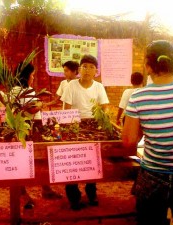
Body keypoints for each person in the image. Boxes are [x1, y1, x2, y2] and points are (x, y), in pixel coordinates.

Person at [122, 40, 173, 225]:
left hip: (153, 175)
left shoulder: (138, 97)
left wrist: (145, 128)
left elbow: (128, 143)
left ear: (148, 67)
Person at [61, 54, 109, 210]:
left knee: (91, 161)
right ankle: (73, 196)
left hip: (93, 128)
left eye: (91, 67)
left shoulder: (99, 87)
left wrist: (102, 123)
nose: (87, 70)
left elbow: (103, 108)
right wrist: (68, 128)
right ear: (79, 69)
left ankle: (91, 191)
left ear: (96, 71)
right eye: (85, 66)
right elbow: (65, 109)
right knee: (73, 162)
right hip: (74, 127)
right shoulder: (71, 86)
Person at [11, 62, 62, 209]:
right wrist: (42, 104)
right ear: (25, 76)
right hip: (27, 128)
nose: (33, 78)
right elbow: (31, 109)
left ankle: (45, 189)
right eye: (32, 75)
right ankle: (23, 193)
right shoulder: (18, 90)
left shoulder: (25, 89)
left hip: (34, 127)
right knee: (25, 161)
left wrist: (40, 103)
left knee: (41, 160)